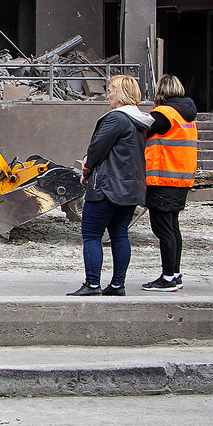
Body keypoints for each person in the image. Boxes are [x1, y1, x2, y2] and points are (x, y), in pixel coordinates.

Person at [68, 74, 154, 297]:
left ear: (122, 94)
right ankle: (118, 284)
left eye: (112, 90)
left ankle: (92, 284)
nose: (108, 94)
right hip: (131, 187)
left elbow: (97, 149)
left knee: (91, 234)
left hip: (107, 186)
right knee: (119, 233)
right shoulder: (139, 121)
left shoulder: (116, 118)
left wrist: (87, 168)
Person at [141, 74, 198, 291]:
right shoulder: (187, 116)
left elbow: (141, 130)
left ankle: (167, 277)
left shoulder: (164, 115)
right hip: (180, 179)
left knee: (163, 229)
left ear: (160, 92)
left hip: (163, 180)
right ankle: (175, 272)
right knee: (173, 228)